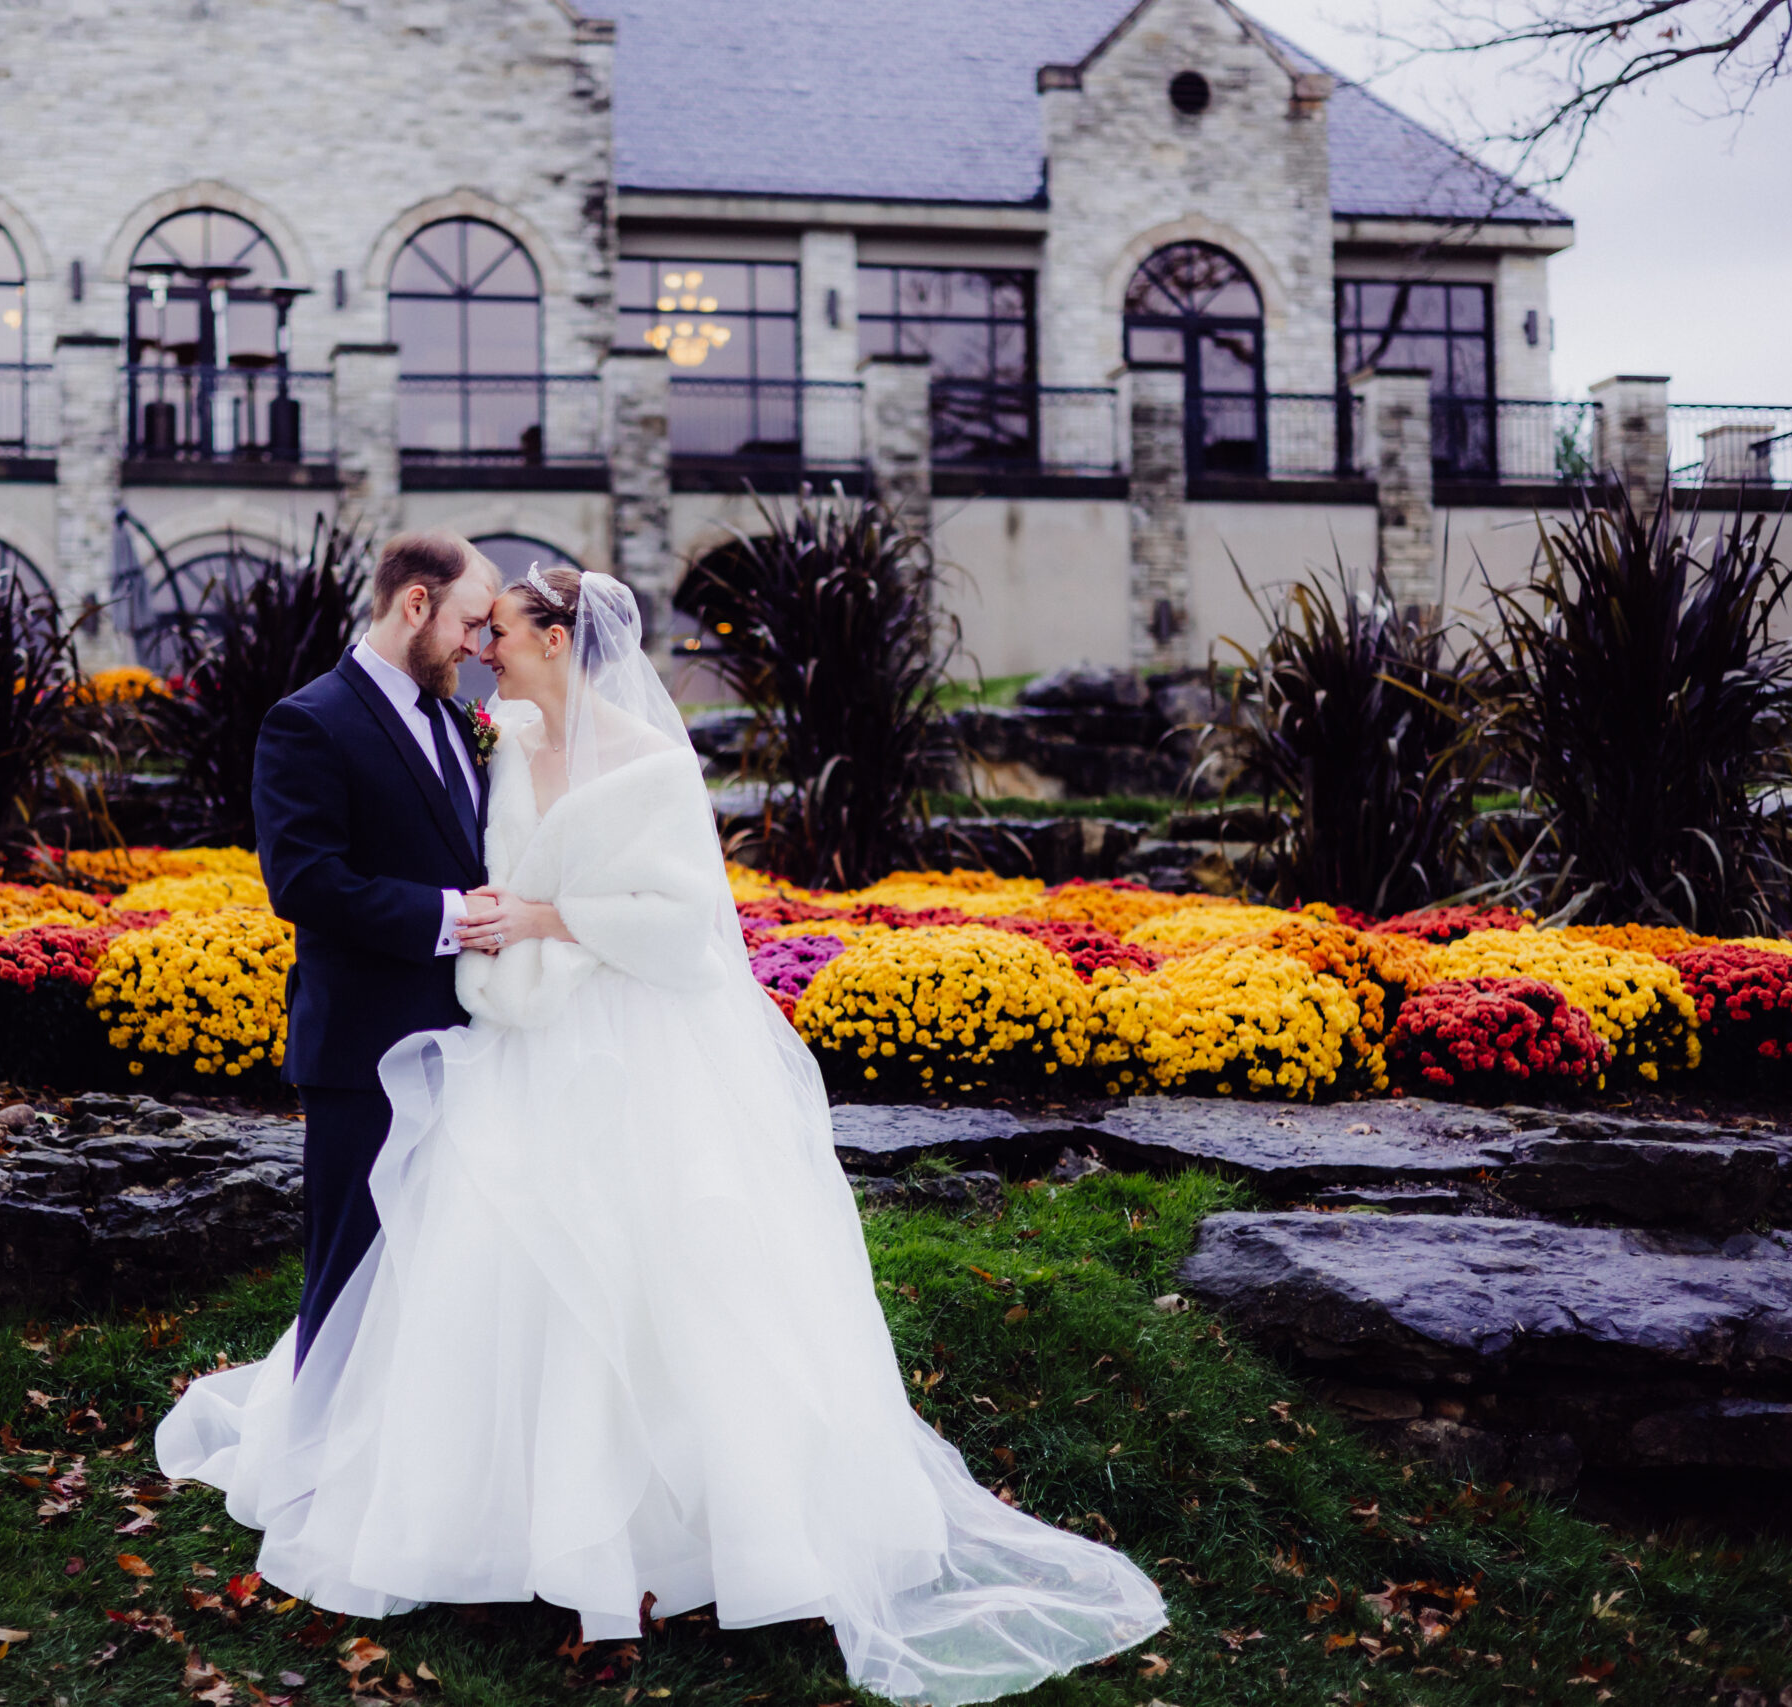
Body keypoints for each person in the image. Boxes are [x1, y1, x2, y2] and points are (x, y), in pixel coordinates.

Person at [160, 562, 1166, 1704]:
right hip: (516, 1047)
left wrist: (546, 918)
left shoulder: (645, 758)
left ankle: (641, 1554)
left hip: (624, 1049)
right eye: (474, 625)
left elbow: (687, 929)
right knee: (502, 1280)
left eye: (499, 627)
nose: (482, 644)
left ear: (556, 633)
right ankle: (498, 1528)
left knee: (636, 1284)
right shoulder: (502, 739)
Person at [244, 529, 502, 1365]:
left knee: (439, 1276)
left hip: (466, 1045)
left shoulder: (461, 720)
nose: (478, 644)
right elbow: (307, 882)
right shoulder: (309, 721)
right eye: (469, 623)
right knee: (349, 1274)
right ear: (415, 602)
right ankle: (313, 1459)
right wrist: (452, 915)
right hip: (362, 1050)